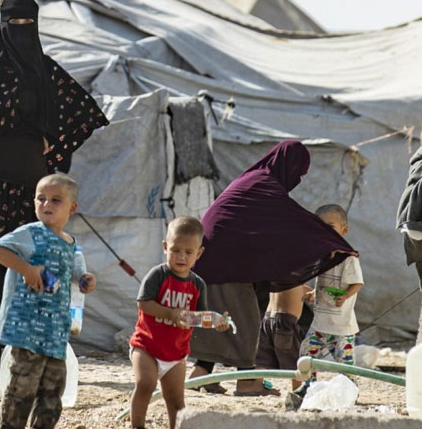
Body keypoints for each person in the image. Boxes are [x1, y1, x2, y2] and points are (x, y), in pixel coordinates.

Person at [0, 0, 108, 382]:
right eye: (13, 24)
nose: (21, 31)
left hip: (33, 191)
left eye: (27, 24)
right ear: (1, 24)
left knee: (39, 265)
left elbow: (83, 112)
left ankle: (34, 349)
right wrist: (21, 124)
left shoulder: (43, 71)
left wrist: (51, 139)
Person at [187, 140, 357, 396]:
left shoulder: (254, 182)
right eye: (298, 172)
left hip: (211, 261)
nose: (297, 179)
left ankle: (200, 375)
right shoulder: (264, 186)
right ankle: (247, 382)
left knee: (226, 320)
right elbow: (293, 222)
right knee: (248, 319)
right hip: (224, 264)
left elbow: (267, 233)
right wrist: (330, 242)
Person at [0, 173, 96, 429]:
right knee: (20, 390)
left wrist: (85, 280)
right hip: (26, 331)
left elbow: (74, 275)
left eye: (56, 200)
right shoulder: (30, 233)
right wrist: (26, 268)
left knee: (52, 394)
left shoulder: (71, 243)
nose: (47, 204)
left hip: (55, 333)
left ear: (72, 208)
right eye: (41, 199)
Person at [129, 216, 228, 429]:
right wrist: (170, 313)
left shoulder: (197, 284)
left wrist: (218, 321)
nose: (181, 256)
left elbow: (199, 317)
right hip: (146, 345)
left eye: (188, 252)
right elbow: (144, 304)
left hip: (176, 353)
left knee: (176, 400)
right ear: (165, 247)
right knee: (145, 383)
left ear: (199, 253)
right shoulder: (158, 275)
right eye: (175, 250)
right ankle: (137, 425)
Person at [296, 204, 364, 393]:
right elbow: (325, 282)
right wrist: (315, 293)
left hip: (341, 326)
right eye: (321, 227)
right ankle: (309, 386)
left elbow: (358, 284)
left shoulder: (348, 258)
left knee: (345, 364)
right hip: (320, 323)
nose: (326, 232)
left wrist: (345, 295)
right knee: (306, 354)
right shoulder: (324, 256)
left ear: (344, 230)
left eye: (331, 227)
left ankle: (351, 390)